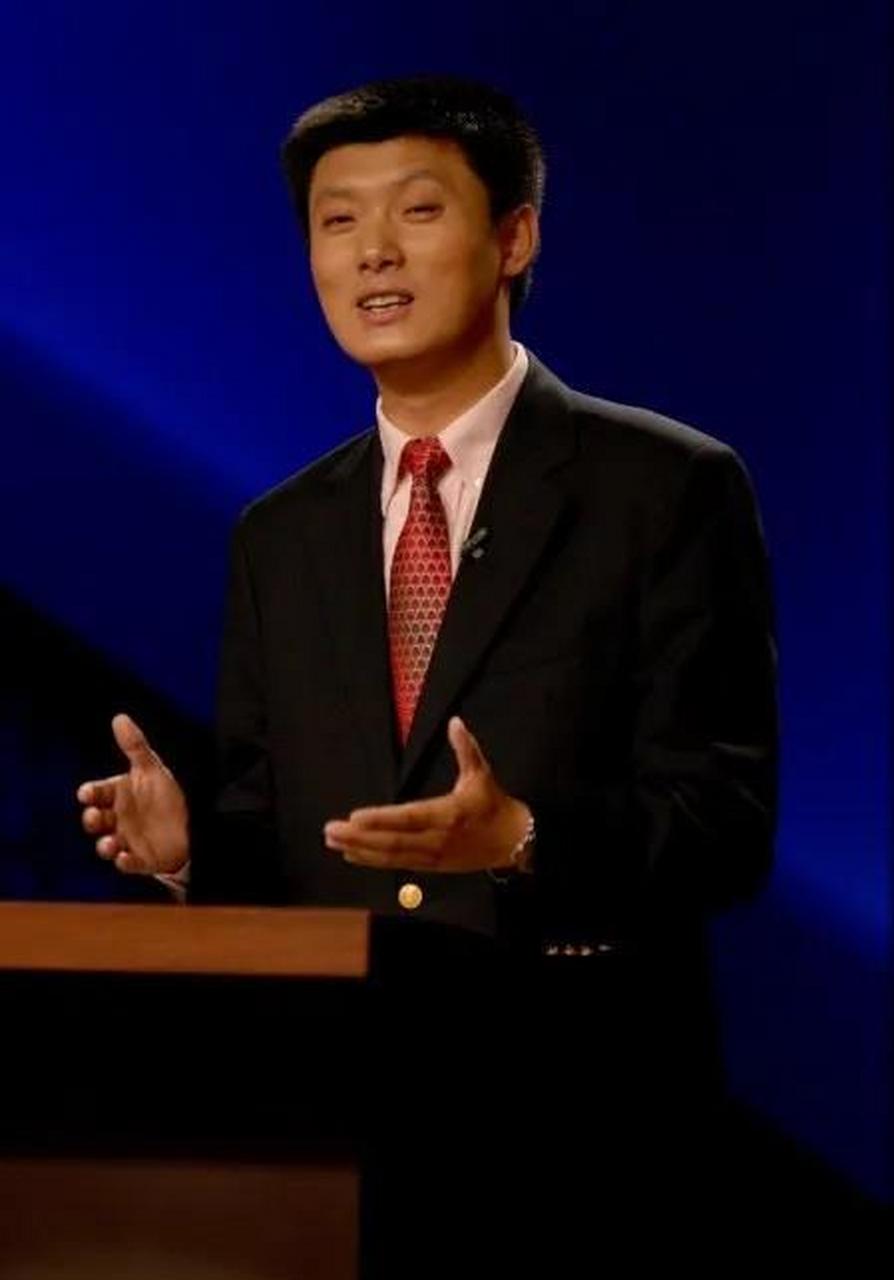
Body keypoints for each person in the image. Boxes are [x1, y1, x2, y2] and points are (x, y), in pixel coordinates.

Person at [76, 74, 778, 1269]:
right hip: (336, 1133)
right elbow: (277, 837)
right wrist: (192, 851)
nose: (373, 253)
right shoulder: (280, 533)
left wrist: (524, 838)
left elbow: (727, 822)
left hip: (585, 1132)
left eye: (416, 210)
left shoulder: (664, 487)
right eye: (337, 221)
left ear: (515, 237)